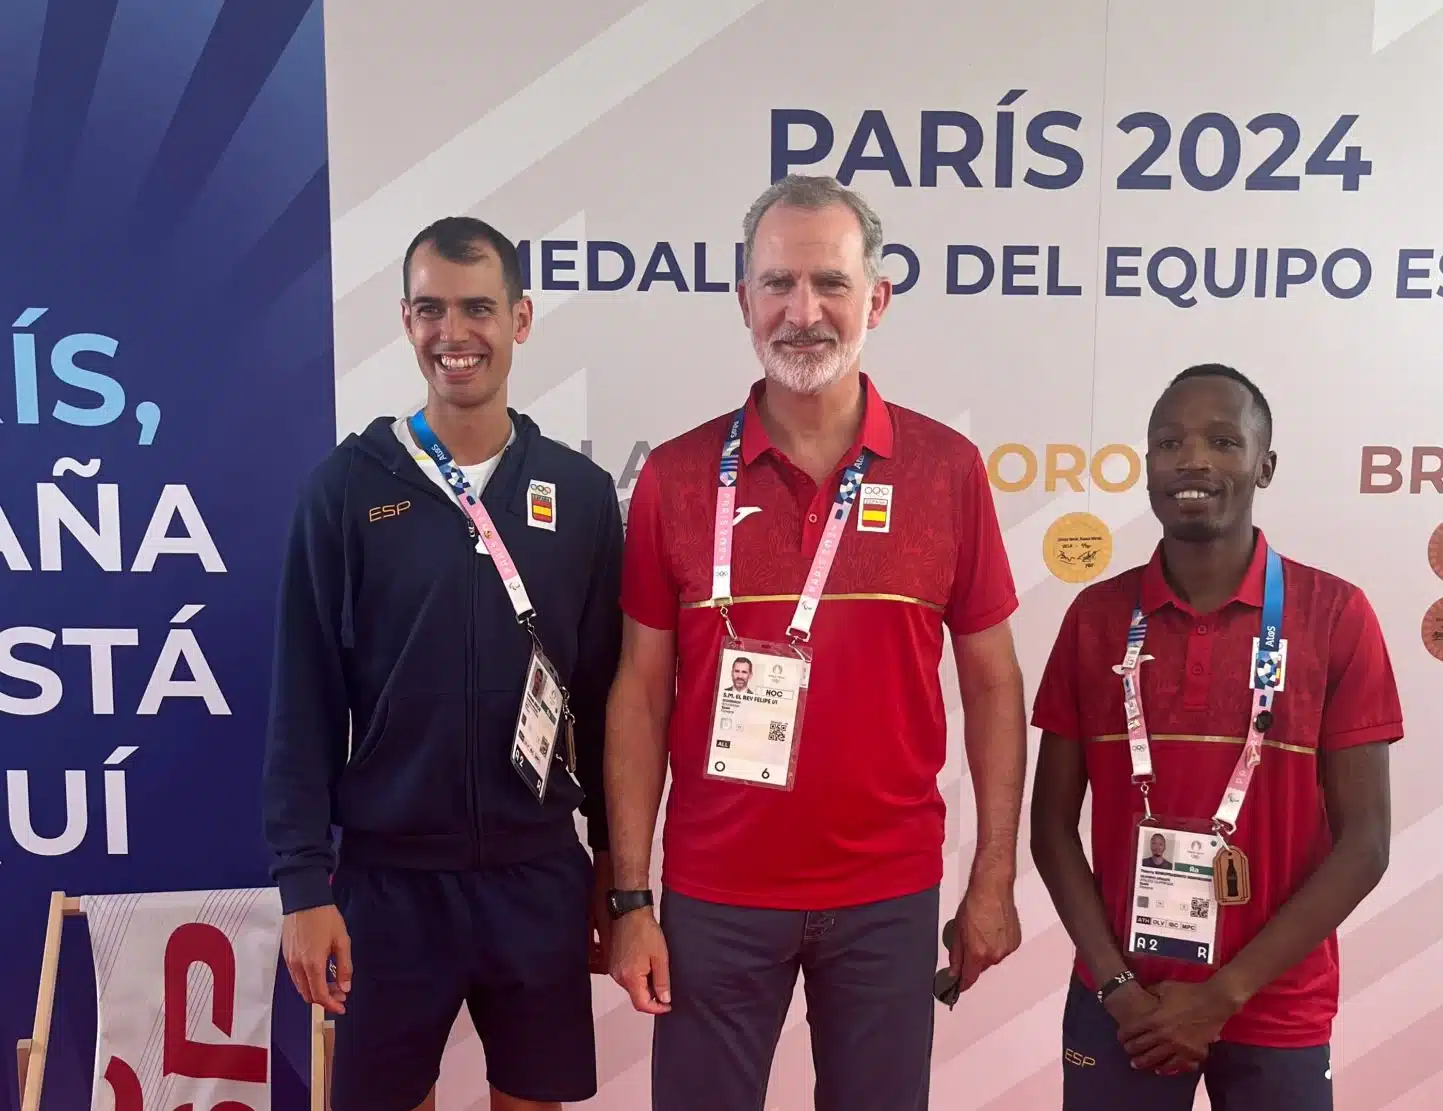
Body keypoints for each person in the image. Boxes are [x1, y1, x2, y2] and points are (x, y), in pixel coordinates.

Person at [603, 174, 1029, 1111]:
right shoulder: (675, 478)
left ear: (876, 298)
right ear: (742, 300)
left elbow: (994, 683)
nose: (805, 312)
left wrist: (993, 875)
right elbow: (637, 692)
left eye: (832, 284)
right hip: (715, 895)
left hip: (889, 893)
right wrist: (631, 899)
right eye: (779, 284)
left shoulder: (947, 470)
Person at [261, 216, 623, 1111]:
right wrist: (305, 883)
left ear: (522, 318)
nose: (453, 334)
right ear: (405, 320)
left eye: (477, 308)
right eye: (431, 310)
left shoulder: (578, 496)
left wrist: (618, 863)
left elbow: (607, 695)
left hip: (538, 876)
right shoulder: (345, 488)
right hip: (389, 885)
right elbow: (302, 699)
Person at [1029, 364, 1402, 1111]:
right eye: (1170, 442)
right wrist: (1116, 984)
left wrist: (1223, 994)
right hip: (1121, 1005)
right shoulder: (1096, 617)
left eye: (1224, 441)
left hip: (1274, 1005)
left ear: (1265, 463)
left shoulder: (1335, 615)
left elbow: (1365, 843)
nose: (1193, 459)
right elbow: (1049, 827)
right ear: (1148, 467)